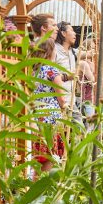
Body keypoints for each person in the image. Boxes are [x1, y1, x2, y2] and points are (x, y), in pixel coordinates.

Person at [31, 38, 66, 172]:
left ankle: (36, 182)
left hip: (37, 115)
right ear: (50, 52)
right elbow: (61, 97)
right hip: (51, 117)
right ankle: (44, 186)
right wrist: (65, 106)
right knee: (50, 154)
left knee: (40, 154)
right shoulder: (52, 71)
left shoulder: (34, 70)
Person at [54, 21, 78, 120]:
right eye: (71, 30)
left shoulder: (72, 51)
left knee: (78, 127)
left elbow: (91, 53)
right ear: (63, 33)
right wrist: (67, 77)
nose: (75, 33)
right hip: (58, 101)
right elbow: (49, 73)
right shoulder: (53, 49)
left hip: (71, 101)